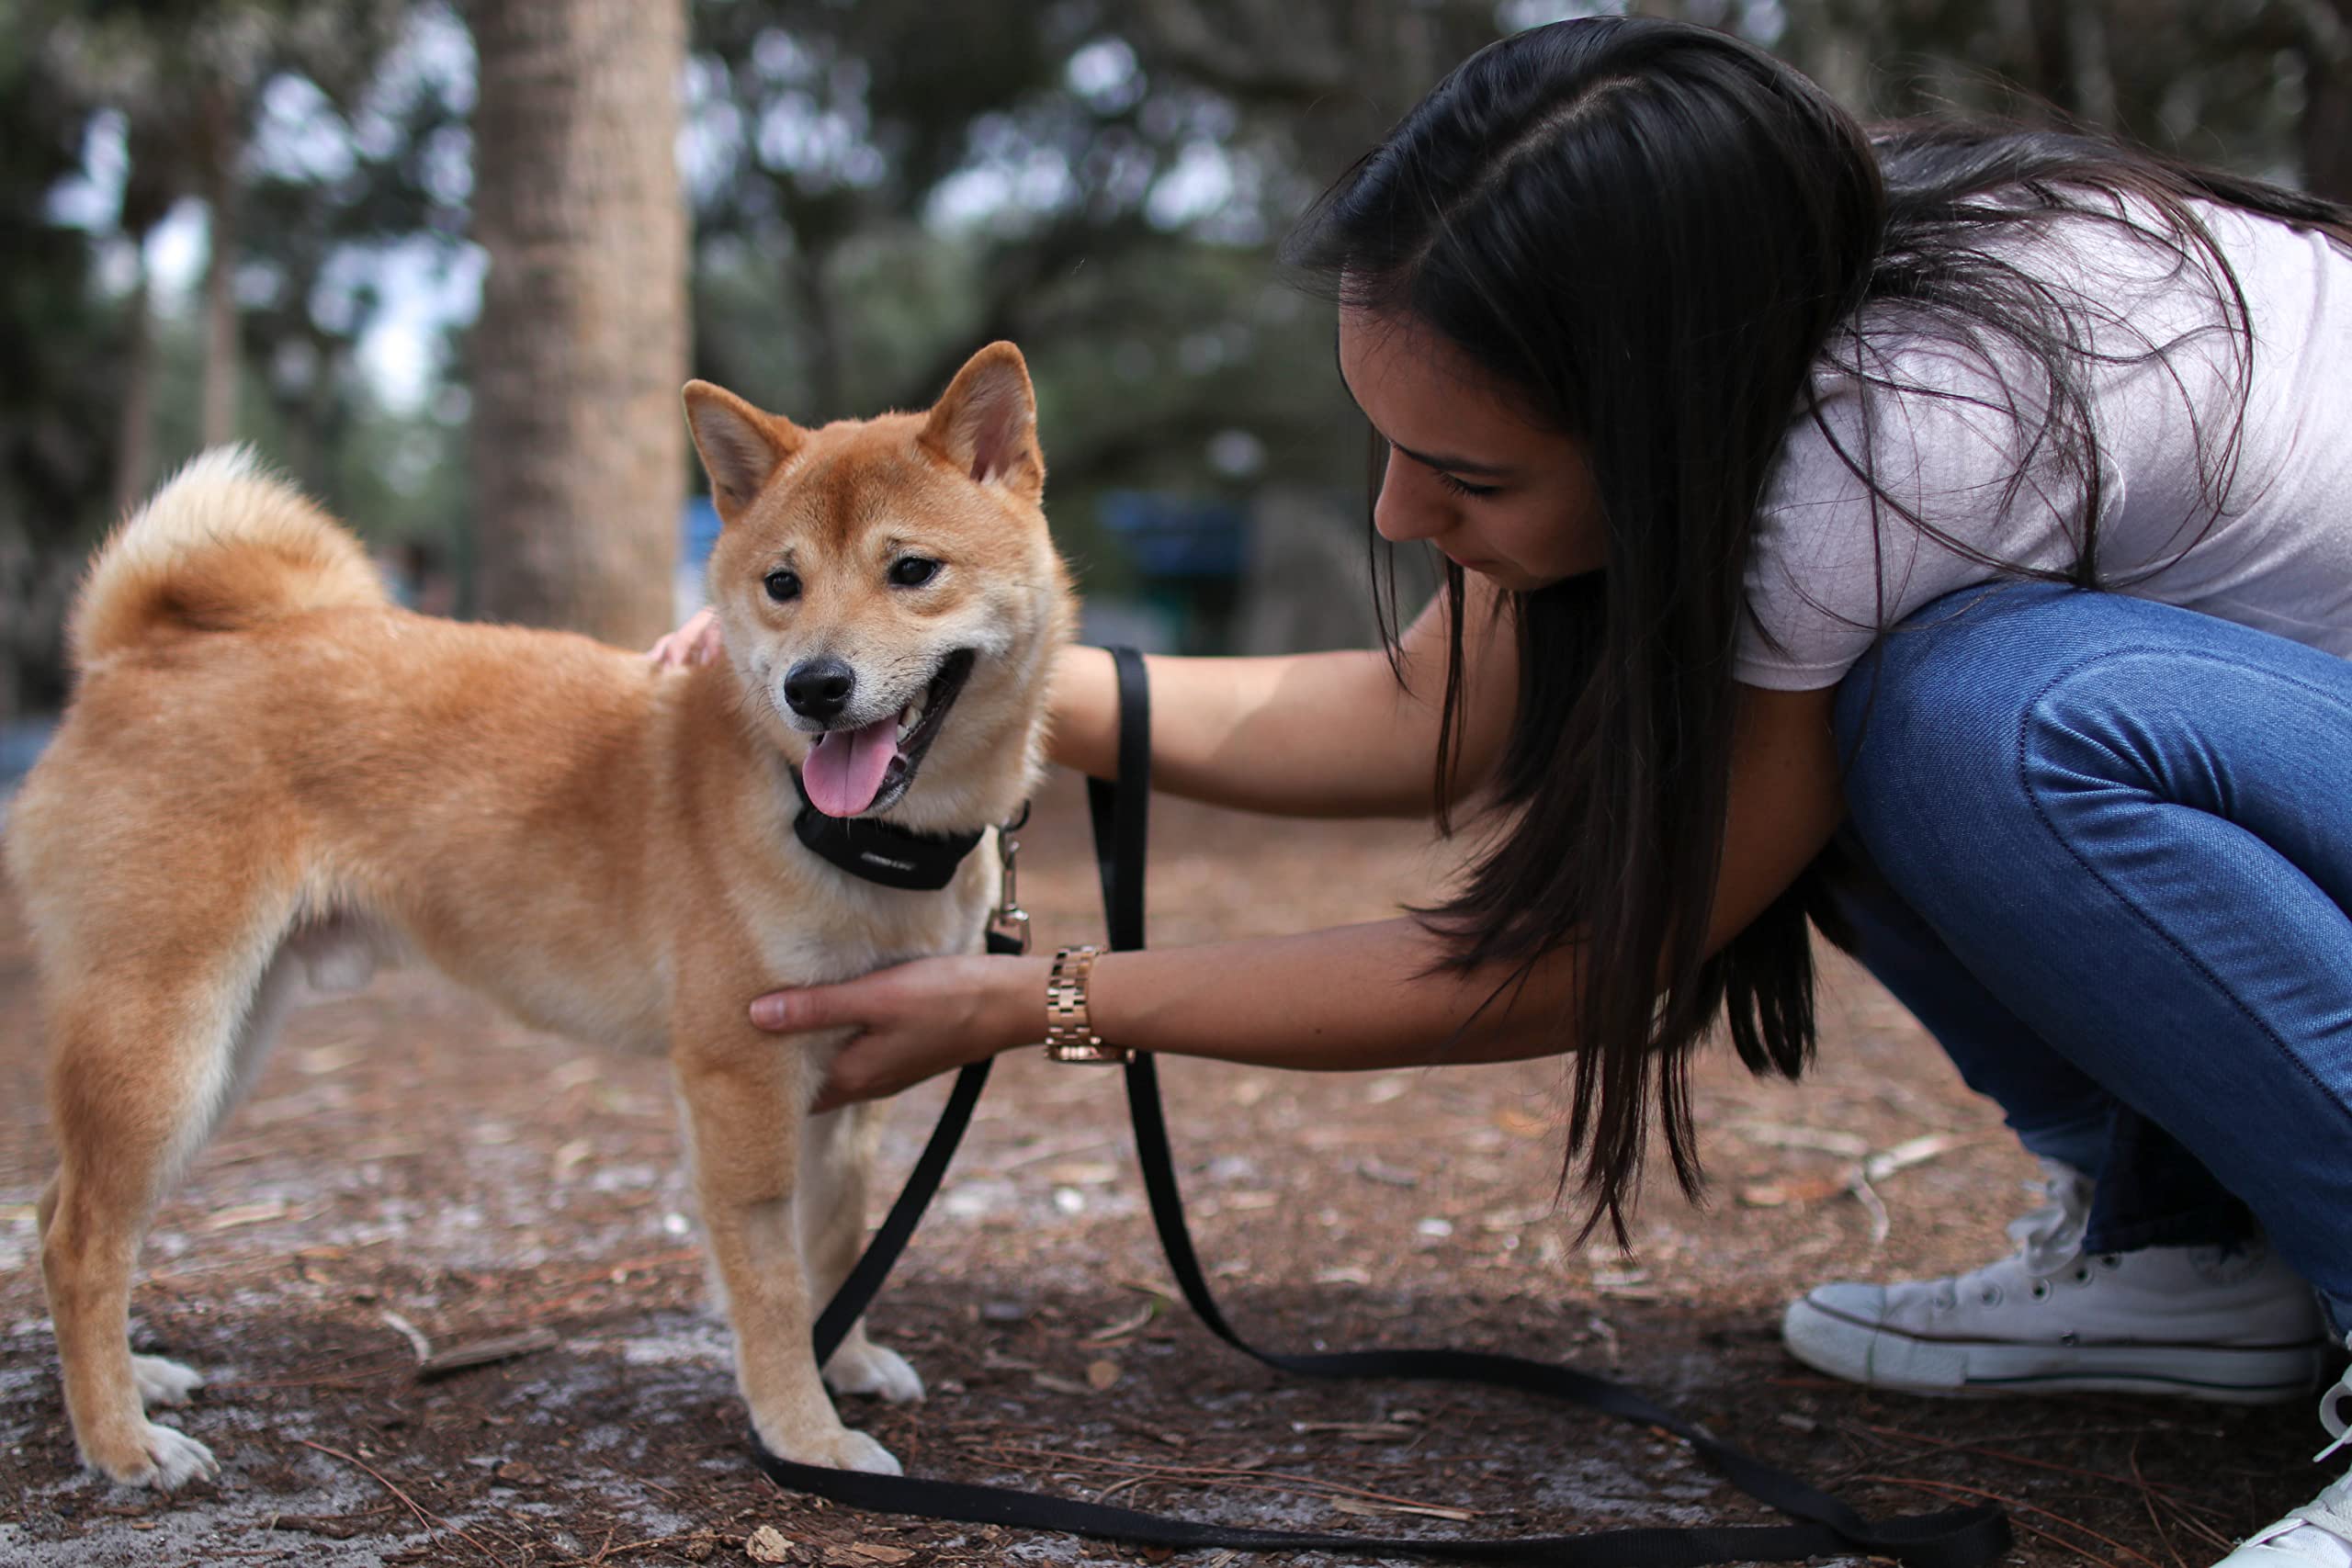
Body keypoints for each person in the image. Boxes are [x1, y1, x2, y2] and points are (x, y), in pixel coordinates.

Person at [656, 18, 2352, 1562]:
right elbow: (1429, 711)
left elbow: (1580, 959)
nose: (1398, 517)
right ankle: (2182, 1245)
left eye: (1468, 473)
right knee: (1887, 713)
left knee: (1981, 723)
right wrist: (934, 680)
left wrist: (1045, 1001)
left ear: (1661, 415)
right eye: (1383, 440)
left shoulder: (1900, 431)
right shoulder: (1749, 276)